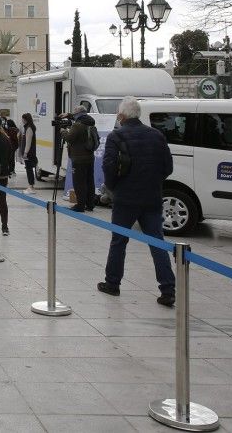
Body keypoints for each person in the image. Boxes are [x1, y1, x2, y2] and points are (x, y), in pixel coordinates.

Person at [98, 97, 176, 307]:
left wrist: (114, 188)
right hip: (151, 197)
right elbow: (168, 166)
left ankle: (112, 283)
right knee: (157, 241)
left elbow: (109, 167)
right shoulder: (156, 135)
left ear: (122, 116)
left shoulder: (116, 136)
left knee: (119, 241)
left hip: (125, 198)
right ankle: (168, 289)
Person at [61, 105, 98, 211]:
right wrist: (68, 115)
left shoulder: (77, 126)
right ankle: (90, 204)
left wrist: (63, 131)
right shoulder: (90, 122)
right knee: (89, 181)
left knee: (79, 182)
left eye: (74, 114)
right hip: (90, 157)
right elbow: (78, 118)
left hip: (78, 158)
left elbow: (69, 138)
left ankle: (80, 205)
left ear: (78, 114)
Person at [19, 113, 38, 193]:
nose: (22, 120)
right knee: (28, 168)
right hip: (29, 152)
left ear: (25, 119)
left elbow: (28, 142)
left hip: (29, 153)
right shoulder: (27, 127)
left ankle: (31, 187)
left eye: (22, 119)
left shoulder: (29, 128)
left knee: (29, 169)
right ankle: (31, 186)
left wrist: (25, 153)